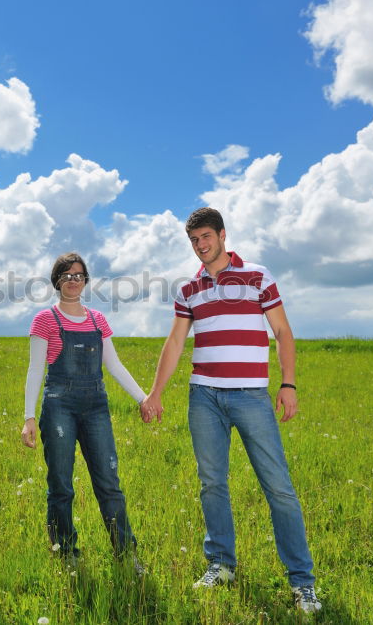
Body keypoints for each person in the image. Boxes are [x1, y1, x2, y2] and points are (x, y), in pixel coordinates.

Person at [139, 207, 322, 614]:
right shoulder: (188, 289)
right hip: (203, 396)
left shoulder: (257, 276)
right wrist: (155, 393)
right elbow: (175, 343)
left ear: (222, 235)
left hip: (251, 396)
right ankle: (221, 564)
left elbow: (282, 332)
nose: (201, 246)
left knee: (278, 488)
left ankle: (302, 583)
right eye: (194, 241)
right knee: (212, 484)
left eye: (206, 237)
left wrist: (288, 383)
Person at [21, 252, 146, 574]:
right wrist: (28, 417)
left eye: (78, 275)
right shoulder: (45, 320)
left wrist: (142, 398)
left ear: (86, 280)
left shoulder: (98, 320)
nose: (72, 280)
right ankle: (66, 553)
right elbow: (36, 369)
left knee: (109, 483)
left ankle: (126, 553)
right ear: (56, 281)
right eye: (66, 275)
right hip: (59, 405)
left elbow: (114, 365)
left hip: (95, 409)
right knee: (61, 485)